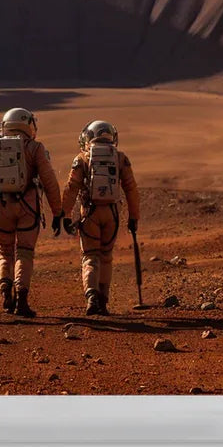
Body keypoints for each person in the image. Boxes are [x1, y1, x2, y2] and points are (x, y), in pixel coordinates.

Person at [0, 107, 63, 318]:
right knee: (24, 252)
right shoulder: (35, 148)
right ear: (29, 125)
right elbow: (50, 182)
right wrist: (58, 212)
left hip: (3, 207)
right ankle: (21, 298)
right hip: (28, 207)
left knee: (5, 250)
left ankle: (6, 292)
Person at [61, 120, 140, 315]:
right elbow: (131, 190)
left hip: (90, 213)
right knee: (106, 256)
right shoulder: (120, 158)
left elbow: (71, 189)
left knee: (90, 256)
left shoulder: (82, 159)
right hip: (112, 214)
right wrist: (133, 217)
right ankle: (103, 300)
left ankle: (91, 296)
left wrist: (64, 215)